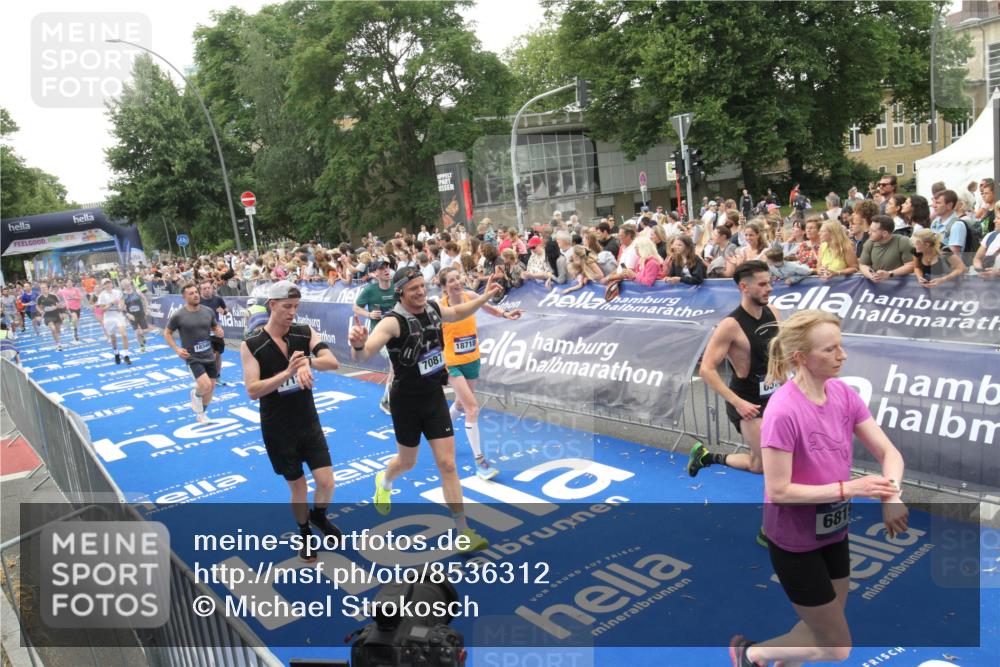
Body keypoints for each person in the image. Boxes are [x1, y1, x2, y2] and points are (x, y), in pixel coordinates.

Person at [728, 310, 907, 667]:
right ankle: (751, 654)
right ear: (801, 357)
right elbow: (779, 490)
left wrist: (892, 495)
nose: (843, 355)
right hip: (795, 542)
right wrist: (850, 488)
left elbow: (889, 453)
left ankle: (783, 662)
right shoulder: (783, 411)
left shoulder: (842, 393)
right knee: (837, 647)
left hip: (834, 532)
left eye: (841, 346)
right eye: (830, 349)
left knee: (824, 625)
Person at [348, 267, 504, 553]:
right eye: (413, 289)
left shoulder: (433, 308)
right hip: (406, 403)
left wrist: (484, 297)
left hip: (433, 397)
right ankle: (384, 480)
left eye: (422, 286)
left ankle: (463, 532)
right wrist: (358, 346)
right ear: (400, 293)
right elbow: (364, 354)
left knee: (448, 465)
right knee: (407, 462)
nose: (420, 292)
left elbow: (458, 312)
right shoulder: (392, 322)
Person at [241, 281, 342, 563]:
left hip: (308, 422)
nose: (292, 312)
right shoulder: (252, 345)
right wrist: (288, 372)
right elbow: (252, 390)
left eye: (296, 307)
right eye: (287, 307)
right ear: (272, 305)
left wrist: (307, 361)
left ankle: (318, 516)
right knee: (298, 487)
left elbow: (332, 361)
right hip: (278, 429)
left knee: (327, 482)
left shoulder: (304, 332)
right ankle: (304, 532)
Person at [692, 261, 781, 545]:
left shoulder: (774, 312)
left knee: (758, 465)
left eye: (769, 282)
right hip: (748, 404)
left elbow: (780, 355)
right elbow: (707, 369)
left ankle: (707, 458)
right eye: (762, 284)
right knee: (772, 466)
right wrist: (738, 403)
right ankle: (770, 529)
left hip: (776, 400)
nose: (769, 288)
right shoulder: (730, 325)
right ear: (744, 287)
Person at [438, 266, 523, 480]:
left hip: (472, 360)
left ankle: (439, 432)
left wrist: (506, 314)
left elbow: (488, 307)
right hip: (453, 364)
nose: (457, 282)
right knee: (472, 408)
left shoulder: (470, 296)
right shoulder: (440, 307)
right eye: (451, 280)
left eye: (458, 278)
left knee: (460, 405)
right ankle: (480, 462)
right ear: (444, 287)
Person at [164, 282, 225, 423]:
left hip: (209, 355)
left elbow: (215, 327)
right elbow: (167, 333)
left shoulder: (208, 311)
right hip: (192, 357)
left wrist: (219, 331)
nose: (195, 295)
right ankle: (196, 394)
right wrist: (177, 349)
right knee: (205, 385)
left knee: (211, 387)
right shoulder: (179, 315)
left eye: (196, 292)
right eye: (191, 293)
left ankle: (201, 414)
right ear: (184, 297)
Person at [354, 259, 398, 414]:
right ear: (374, 274)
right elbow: (356, 307)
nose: (386, 270)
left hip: (398, 331)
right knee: (395, 366)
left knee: (399, 367)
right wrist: (369, 314)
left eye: (387, 267)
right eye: (381, 269)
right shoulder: (370, 290)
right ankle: (386, 401)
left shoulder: (396, 287)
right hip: (380, 334)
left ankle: (391, 398)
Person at [858, 215, 914, 282]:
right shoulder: (870, 243)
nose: (869, 233)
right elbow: (863, 264)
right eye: (870, 229)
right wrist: (871, 276)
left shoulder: (902, 241)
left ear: (885, 233)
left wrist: (890, 274)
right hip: (876, 285)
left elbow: (911, 265)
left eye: (873, 231)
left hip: (900, 284)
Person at [199, 280, 231, 386]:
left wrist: (223, 311)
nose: (207, 290)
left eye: (209, 288)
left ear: (212, 289)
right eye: (204, 288)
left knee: (217, 355)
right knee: (210, 355)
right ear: (201, 290)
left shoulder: (217, 299)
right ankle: (208, 375)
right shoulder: (198, 301)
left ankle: (217, 376)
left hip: (217, 332)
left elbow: (225, 310)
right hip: (203, 333)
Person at [96, 279, 131, 365]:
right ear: (103, 286)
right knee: (113, 338)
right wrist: (111, 303)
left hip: (118, 315)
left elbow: (122, 302)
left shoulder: (118, 292)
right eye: (105, 284)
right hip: (108, 316)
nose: (108, 285)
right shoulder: (102, 295)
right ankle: (116, 353)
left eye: (109, 283)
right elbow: (102, 309)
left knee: (124, 334)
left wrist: (121, 307)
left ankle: (126, 356)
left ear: (111, 284)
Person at [121, 281, 152, 351]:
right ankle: (142, 345)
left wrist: (147, 309)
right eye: (125, 285)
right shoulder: (123, 296)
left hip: (141, 314)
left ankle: (142, 336)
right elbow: (121, 308)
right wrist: (127, 314)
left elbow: (144, 299)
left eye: (128, 284)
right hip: (132, 316)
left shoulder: (137, 291)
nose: (128, 286)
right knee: (137, 332)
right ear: (123, 287)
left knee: (145, 331)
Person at [36, 282, 64, 351]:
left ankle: (57, 338)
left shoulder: (53, 296)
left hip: (56, 314)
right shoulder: (39, 298)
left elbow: (59, 304)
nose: (43, 289)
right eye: (41, 288)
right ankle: (58, 344)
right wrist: (40, 311)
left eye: (44, 287)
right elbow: (37, 306)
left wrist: (58, 308)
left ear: (47, 288)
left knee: (58, 330)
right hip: (47, 316)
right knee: (53, 329)